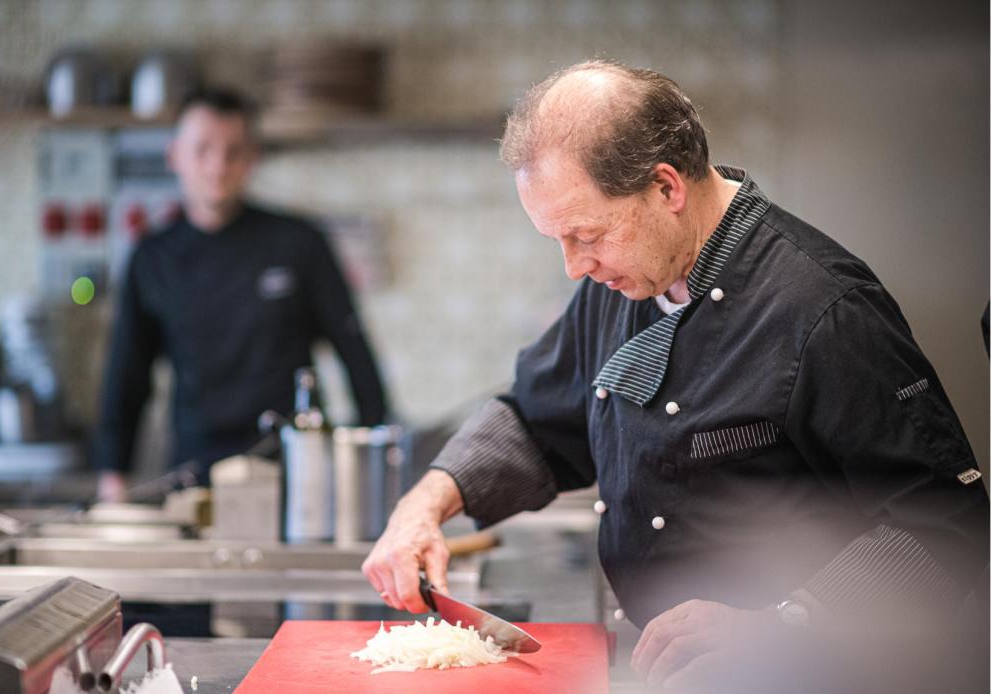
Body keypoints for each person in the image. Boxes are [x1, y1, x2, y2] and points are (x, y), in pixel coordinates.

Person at [362, 61, 988, 692]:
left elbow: (944, 526)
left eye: (587, 234)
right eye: (558, 239)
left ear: (666, 188)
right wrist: (424, 506)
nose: (576, 267)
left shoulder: (823, 309)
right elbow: (538, 416)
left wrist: (788, 621)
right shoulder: (623, 278)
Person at [95, 88, 389, 501]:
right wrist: (113, 471)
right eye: (203, 150)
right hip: (194, 474)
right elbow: (127, 373)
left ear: (253, 158)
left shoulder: (299, 243)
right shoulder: (152, 257)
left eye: (234, 151)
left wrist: (371, 456)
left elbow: (355, 353)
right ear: (175, 157)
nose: (218, 166)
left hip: (293, 472)